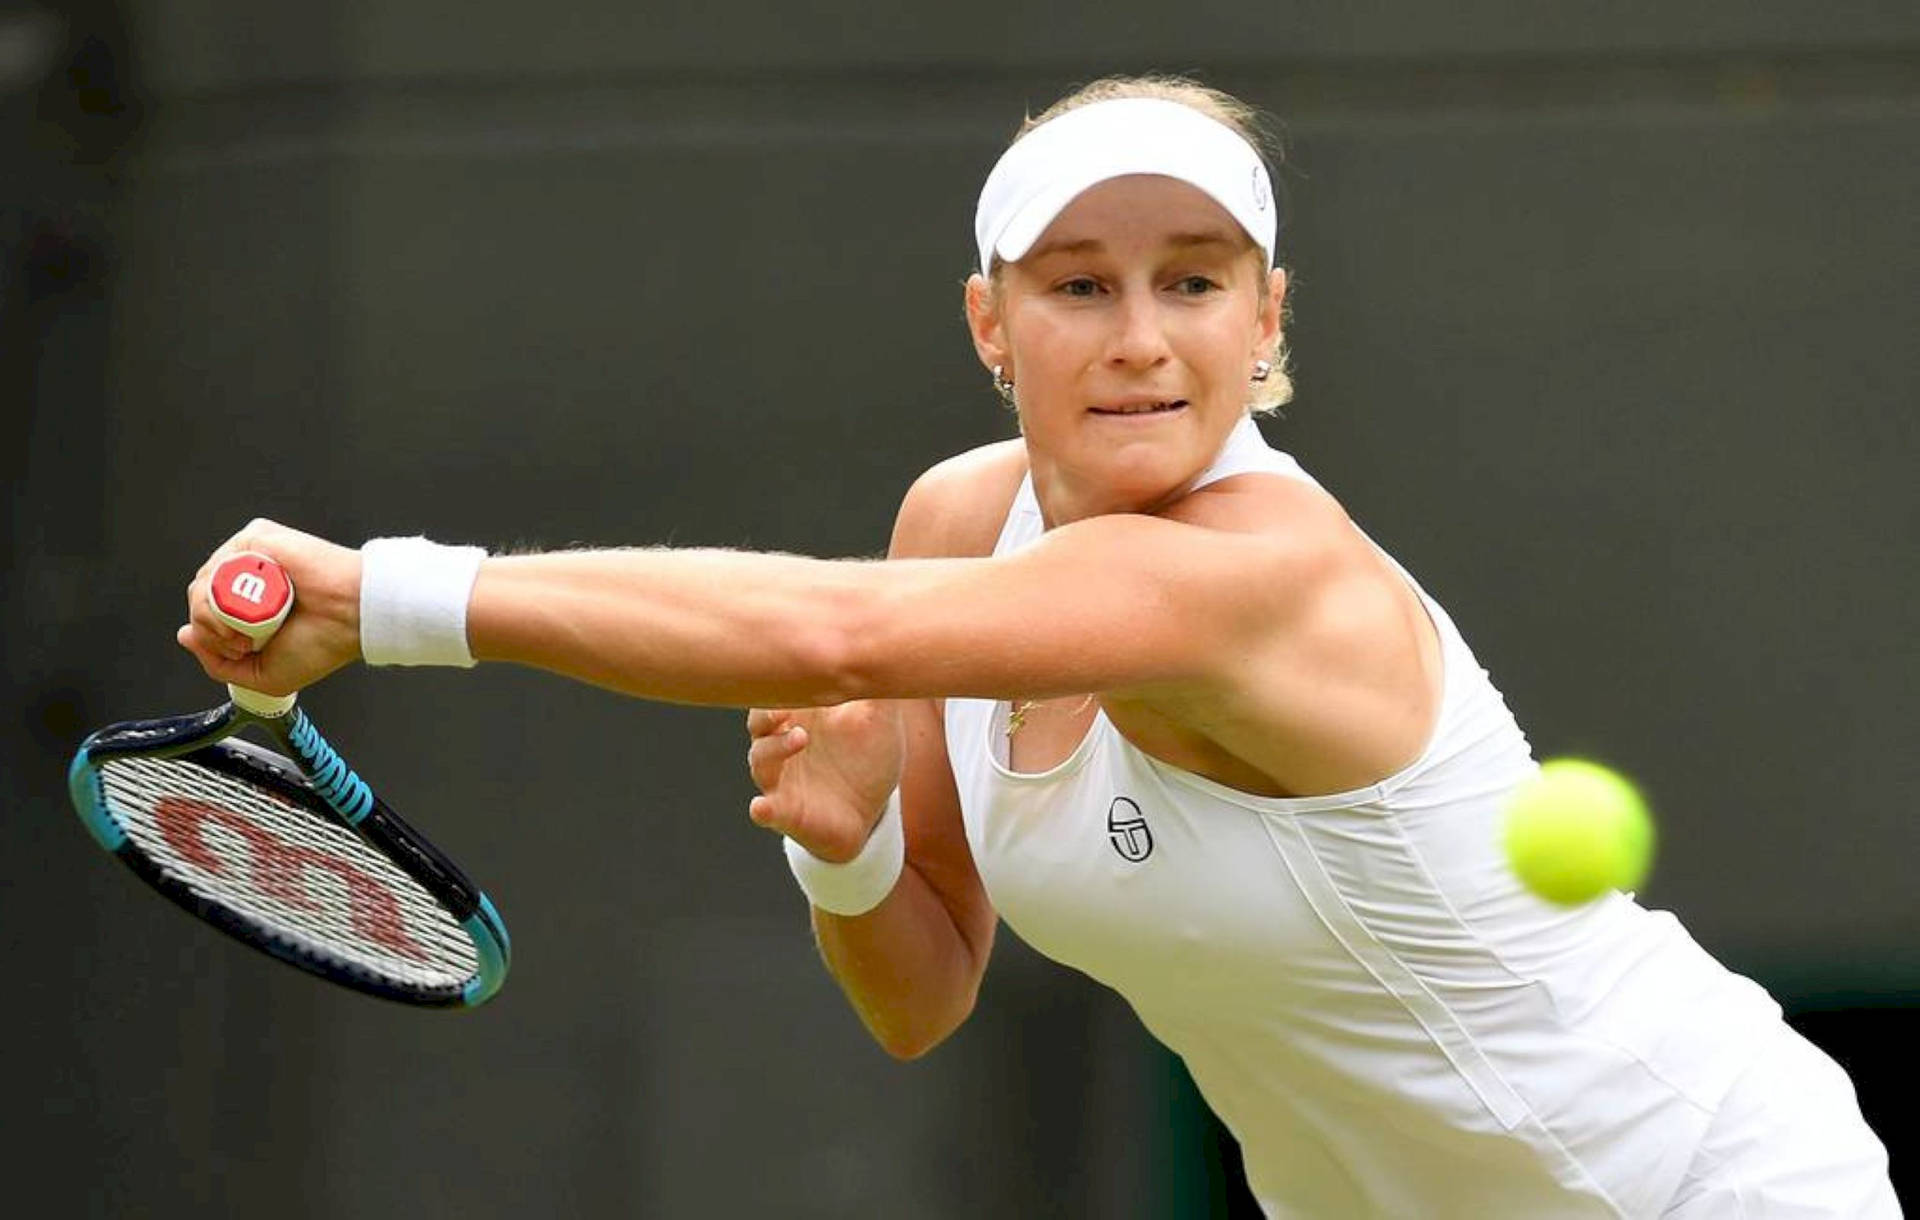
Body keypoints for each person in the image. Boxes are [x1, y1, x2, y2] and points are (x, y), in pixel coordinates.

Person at [178, 76, 1898, 1218]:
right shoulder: (959, 522)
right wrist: (848, 857)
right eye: (1079, 286)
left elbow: (829, 626)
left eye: (1197, 281)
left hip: (1707, 1187)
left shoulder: (1255, 573)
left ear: (1269, 316)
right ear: (990, 323)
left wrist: (385, 597)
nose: (1142, 340)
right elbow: (922, 997)